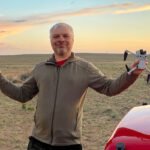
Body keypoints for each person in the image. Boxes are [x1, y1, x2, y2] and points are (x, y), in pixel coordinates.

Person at [0, 23, 145, 150]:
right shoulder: (40, 68)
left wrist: (131, 74)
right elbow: (22, 94)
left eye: (65, 36)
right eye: (56, 36)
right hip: (37, 143)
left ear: (72, 39)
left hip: (69, 145)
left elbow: (110, 87)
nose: (61, 39)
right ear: (51, 40)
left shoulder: (85, 68)